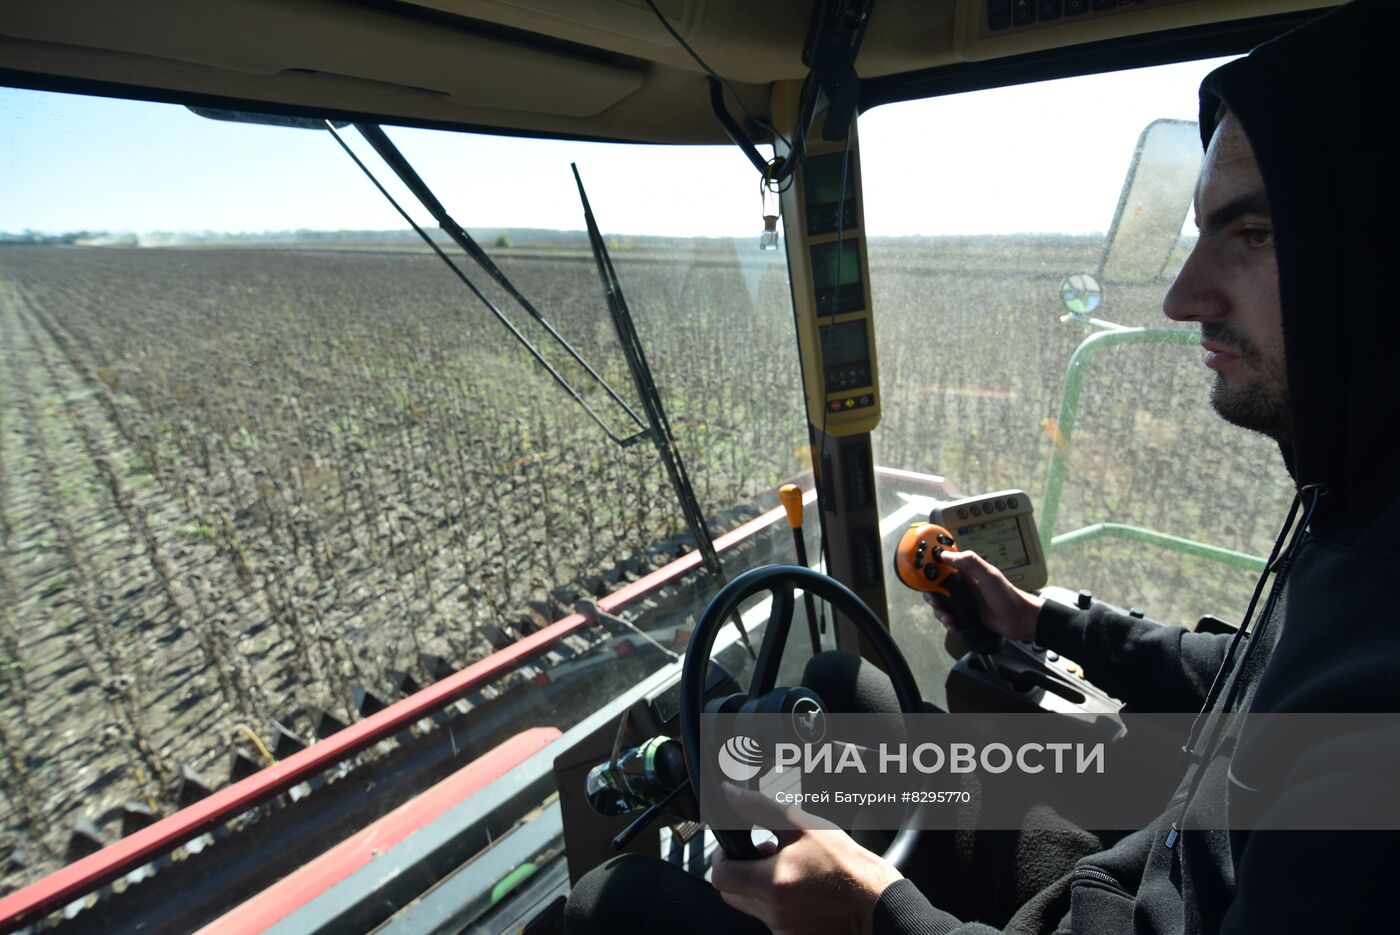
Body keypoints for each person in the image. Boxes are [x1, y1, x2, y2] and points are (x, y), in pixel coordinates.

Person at [565, 0, 1400, 931]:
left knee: (613, 903)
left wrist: (876, 913)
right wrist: (1049, 620)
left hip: (1128, 901)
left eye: (1254, 233)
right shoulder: (1358, 511)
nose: (1180, 296)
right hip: (1139, 863)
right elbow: (1265, 672)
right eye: (1198, 231)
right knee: (839, 696)